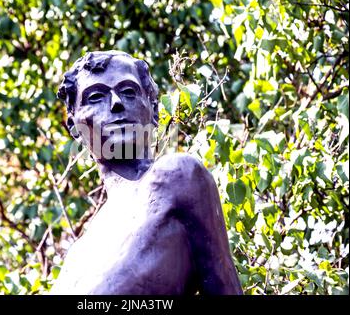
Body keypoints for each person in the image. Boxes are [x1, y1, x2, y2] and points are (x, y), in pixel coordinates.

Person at [50, 50, 242, 295]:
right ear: (74, 126)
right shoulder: (78, 254)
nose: (116, 103)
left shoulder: (177, 177)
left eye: (128, 92)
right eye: (96, 96)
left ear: (153, 108)